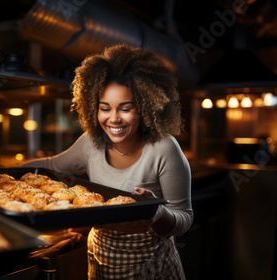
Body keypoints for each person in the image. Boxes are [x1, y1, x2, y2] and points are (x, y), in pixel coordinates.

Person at [22, 44, 193, 279]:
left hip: (152, 266)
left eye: (125, 108)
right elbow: (51, 167)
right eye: (105, 108)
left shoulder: (164, 148)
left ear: (145, 107)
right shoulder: (91, 142)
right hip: (101, 260)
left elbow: (184, 218)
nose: (113, 119)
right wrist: (2, 173)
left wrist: (159, 213)